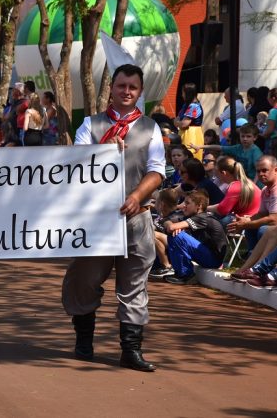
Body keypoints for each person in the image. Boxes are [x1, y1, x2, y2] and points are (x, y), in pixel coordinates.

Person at [62, 64, 165, 372]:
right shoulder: (89, 125)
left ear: (139, 91)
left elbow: (157, 169)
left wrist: (136, 196)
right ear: (113, 88)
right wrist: (102, 151)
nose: (127, 91)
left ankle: (130, 350)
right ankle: (83, 342)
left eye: (133, 87)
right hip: (96, 221)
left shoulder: (151, 127)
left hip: (137, 219)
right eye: (122, 85)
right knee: (84, 280)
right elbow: (76, 163)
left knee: (134, 285)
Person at [162, 191, 228, 285]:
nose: (184, 206)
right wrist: (172, 225)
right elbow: (166, 221)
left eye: (187, 203)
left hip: (214, 259)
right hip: (205, 254)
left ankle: (186, 275)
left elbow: (171, 228)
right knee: (174, 235)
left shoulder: (202, 217)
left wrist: (173, 226)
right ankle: (179, 272)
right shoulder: (192, 216)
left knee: (177, 236)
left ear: (199, 206)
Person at [227, 155, 277, 252]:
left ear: (276, 170)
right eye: (258, 171)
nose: (261, 174)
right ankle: (253, 258)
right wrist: (245, 220)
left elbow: (274, 220)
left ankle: (264, 263)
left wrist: (246, 224)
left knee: (263, 230)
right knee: (250, 226)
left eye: (264, 170)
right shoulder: (265, 190)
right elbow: (261, 214)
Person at [191, 123, 263, 181]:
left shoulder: (256, 152)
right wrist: (200, 147)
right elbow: (219, 147)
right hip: (242, 182)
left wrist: (253, 184)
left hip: (253, 185)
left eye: (248, 136)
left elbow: (258, 170)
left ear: (255, 137)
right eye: (243, 136)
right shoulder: (238, 148)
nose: (245, 139)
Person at [207, 156, 261, 226]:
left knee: (213, 223)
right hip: (254, 217)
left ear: (224, 173)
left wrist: (206, 208)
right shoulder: (247, 181)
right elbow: (223, 205)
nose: (217, 177)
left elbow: (222, 210)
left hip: (247, 219)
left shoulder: (234, 187)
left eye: (217, 174)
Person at [150, 188, 183, 279]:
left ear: (162, 204)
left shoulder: (175, 217)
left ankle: (167, 266)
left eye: (156, 201)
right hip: (166, 246)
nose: (154, 203)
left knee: (151, 234)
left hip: (175, 246)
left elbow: (170, 225)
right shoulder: (161, 215)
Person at [174, 83, 204, 160]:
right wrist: (178, 122)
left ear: (188, 94)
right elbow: (177, 120)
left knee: (189, 158)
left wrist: (177, 122)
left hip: (192, 136)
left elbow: (184, 124)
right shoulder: (186, 105)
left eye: (183, 93)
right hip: (185, 134)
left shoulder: (194, 106)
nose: (182, 95)